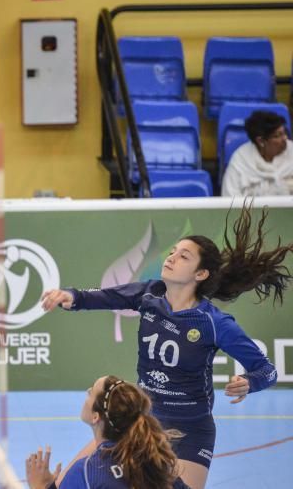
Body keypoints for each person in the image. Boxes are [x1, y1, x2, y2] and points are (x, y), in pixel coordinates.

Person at [40, 204, 288, 489]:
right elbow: (104, 297)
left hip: (190, 431)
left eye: (184, 256)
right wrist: (69, 296)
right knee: (62, 485)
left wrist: (249, 382)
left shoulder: (214, 323)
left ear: (201, 274)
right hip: (140, 421)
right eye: (172, 252)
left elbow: (267, 370)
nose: (172, 258)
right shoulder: (150, 294)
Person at [26, 376, 190, 489]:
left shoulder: (86, 471)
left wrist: (40, 486)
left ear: (96, 416)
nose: (87, 393)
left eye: (91, 392)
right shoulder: (157, 461)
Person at [221, 110, 293, 196]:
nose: (285, 138)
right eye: (278, 136)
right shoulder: (241, 160)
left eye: (284, 133)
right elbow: (229, 196)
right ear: (261, 141)